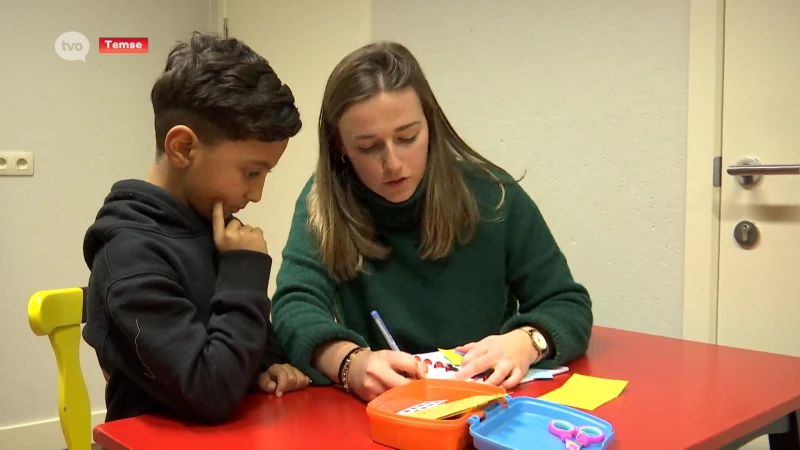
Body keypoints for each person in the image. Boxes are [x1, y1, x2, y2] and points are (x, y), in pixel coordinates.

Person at [271, 40, 594, 402]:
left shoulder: (493, 196)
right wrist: (350, 363)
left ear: (431, 125)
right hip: (381, 415)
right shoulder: (323, 201)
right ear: (340, 148)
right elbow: (293, 307)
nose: (393, 164)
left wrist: (526, 342)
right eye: (368, 147)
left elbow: (567, 303)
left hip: (488, 410)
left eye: (408, 137)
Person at [82, 32, 310, 425]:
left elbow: (242, 338)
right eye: (251, 172)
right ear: (183, 148)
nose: (256, 194)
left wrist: (267, 367)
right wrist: (243, 271)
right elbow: (209, 390)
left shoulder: (209, 226)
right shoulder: (129, 257)